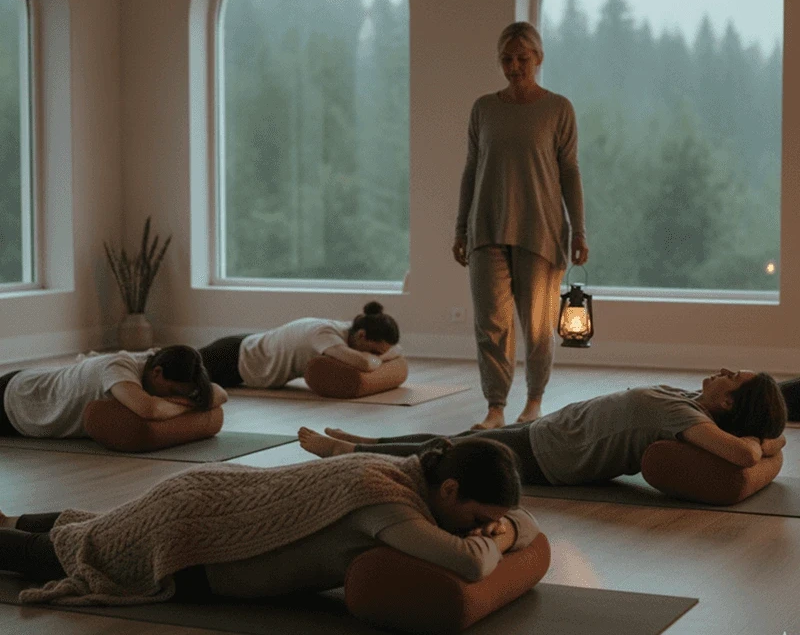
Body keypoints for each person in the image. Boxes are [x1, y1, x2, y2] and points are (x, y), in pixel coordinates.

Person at [0, 439, 541, 606]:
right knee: (87, 551)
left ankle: (11, 516)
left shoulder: (408, 474)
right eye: (479, 520)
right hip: (196, 537)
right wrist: (500, 540)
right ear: (450, 490)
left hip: (210, 497)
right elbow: (469, 566)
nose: (480, 530)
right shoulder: (387, 504)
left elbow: (526, 521)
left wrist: (508, 525)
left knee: (104, 527)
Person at [298, 369, 787, 486]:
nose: (723, 371)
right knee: (453, 439)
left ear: (728, 402)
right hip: (553, 433)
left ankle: (346, 455)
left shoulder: (688, 418)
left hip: (552, 455)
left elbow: (744, 454)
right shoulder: (688, 399)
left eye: (732, 376)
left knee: (450, 450)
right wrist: (775, 438)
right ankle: (370, 442)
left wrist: (763, 442)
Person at [453, 22, 588, 431]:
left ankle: (533, 402)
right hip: (486, 227)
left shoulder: (558, 109)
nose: (514, 67)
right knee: (491, 324)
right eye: (506, 59)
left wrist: (579, 230)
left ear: (538, 58)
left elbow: (570, 171)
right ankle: (495, 407)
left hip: (541, 230)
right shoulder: (483, 109)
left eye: (522, 59)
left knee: (537, 326)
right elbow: (472, 169)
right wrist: (460, 228)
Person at [0, 345, 227, 439]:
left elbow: (220, 393)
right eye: (173, 392)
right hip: (16, 399)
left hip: (35, 383)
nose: (175, 398)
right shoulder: (118, 367)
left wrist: (191, 399)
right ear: (157, 373)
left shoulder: (159, 363)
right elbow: (150, 410)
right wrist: (193, 404)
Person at [198, 301, 402, 389]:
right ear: (362, 335)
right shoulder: (326, 334)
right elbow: (364, 364)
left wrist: (381, 355)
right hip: (234, 358)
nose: (374, 355)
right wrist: (383, 358)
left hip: (248, 352)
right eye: (374, 351)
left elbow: (397, 350)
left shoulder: (347, 332)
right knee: (184, 370)